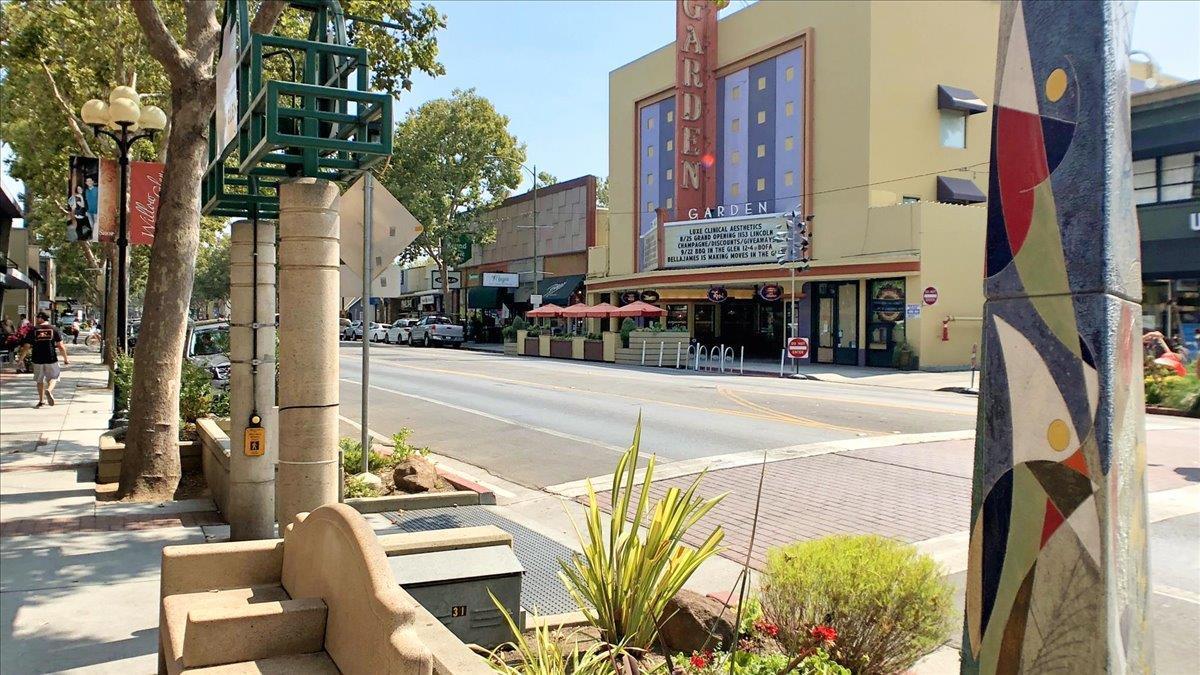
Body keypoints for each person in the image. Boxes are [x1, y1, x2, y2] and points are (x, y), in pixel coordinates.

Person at [23, 311, 69, 407]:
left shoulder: (33, 330)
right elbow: (60, 346)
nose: (36, 319)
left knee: (39, 380)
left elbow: (26, 346)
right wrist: (65, 358)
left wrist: (20, 359)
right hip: (51, 358)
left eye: (37, 317)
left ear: (41, 318)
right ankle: (49, 390)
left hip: (37, 358)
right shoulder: (54, 329)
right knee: (54, 377)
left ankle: (41, 401)